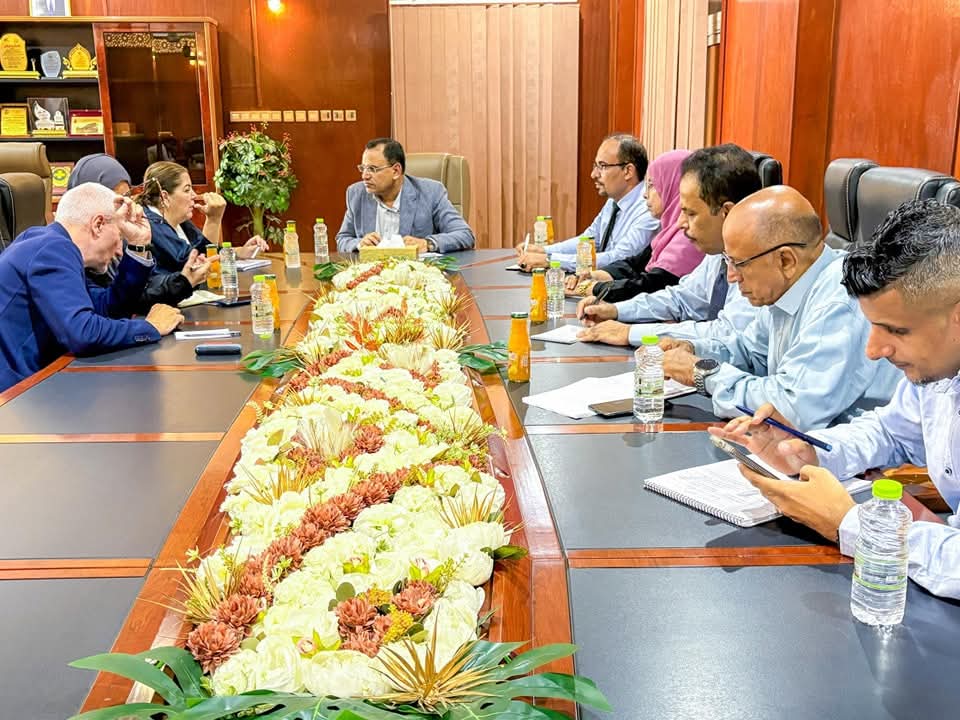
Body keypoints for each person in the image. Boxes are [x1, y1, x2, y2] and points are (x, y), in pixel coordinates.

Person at [712, 199, 960, 599]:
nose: (874, 350)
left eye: (896, 331)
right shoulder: (938, 369)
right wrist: (811, 452)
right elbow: (891, 432)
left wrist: (847, 522)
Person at [658, 185, 901, 428]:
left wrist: (701, 373)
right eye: (727, 261)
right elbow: (752, 352)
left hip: (851, 447)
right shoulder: (787, 286)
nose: (731, 276)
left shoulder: (840, 301)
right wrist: (694, 350)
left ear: (786, 260)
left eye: (738, 263)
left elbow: (791, 408)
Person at [0, 183, 183, 392]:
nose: (119, 251)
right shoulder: (54, 248)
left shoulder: (48, 243)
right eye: (120, 237)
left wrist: (138, 245)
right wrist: (151, 327)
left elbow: (106, 310)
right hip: (13, 398)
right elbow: (82, 333)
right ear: (98, 225)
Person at [575, 143, 761, 347]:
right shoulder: (718, 254)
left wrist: (630, 332)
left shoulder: (757, 262)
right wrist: (617, 310)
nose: (680, 223)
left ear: (726, 212)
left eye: (691, 213)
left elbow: (724, 333)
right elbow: (682, 298)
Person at [73, 154, 210, 316]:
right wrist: (150, 327)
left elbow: (140, 293)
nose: (126, 208)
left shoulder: (122, 236)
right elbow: (93, 323)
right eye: (118, 201)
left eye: (127, 198)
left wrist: (184, 281)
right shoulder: (65, 258)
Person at [567, 149, 704, 300]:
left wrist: (594, 288)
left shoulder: (689, 237)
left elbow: (652, 285)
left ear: (673, 187)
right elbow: (633, 264)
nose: (645, 194)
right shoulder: (668, 232)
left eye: (652, 185)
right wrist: (593, 275)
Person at [516, 134, 659, 272]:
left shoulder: (648, 209)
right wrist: (543, 250)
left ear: (628, 171)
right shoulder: (613, 201)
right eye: (595, 166)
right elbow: (589, 240)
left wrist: (550, 260)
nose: (593, 174)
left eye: (602, 166)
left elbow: (619, 259)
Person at [336, 138, 475, 254]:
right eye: (363, 168)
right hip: (372, 274)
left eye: (372, 169)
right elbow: (343, 239)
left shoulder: (431, 192)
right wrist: (359, 243)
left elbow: (464, 234)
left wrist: (427, 243)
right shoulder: (356, 194)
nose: (364, 176)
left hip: (415, 274)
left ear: (396, 171)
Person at [137, 161, 266, 274]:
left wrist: (240, 252)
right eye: (187, 190)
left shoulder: (181, 221)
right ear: (164, 197)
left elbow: (208, 249)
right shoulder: (150, 224)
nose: (194, 195)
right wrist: (213, 220)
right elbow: (194, 265)